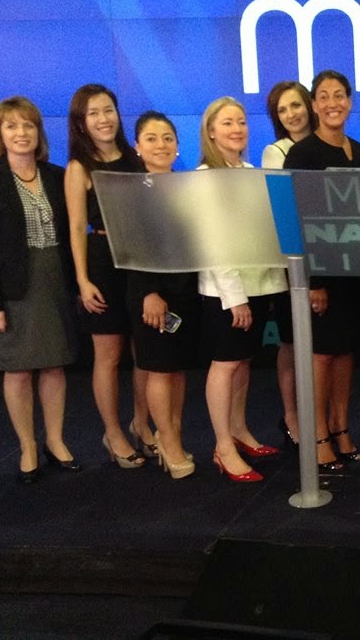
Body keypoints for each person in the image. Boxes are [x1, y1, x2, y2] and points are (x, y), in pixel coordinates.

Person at [0, 97, 80, 482]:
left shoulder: (57, 176)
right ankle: (27, 446)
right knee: (19, 370)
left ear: (39, 132)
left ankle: (55, 441)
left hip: (54, 279)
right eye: (12, 126)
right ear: (0, 133)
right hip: (12, 289)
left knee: (54, 365)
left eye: (28, 125)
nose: (21, 133)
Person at [197, 97, 287, 482]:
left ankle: (238, 431)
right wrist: (235, 298)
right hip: (226, 292)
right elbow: (214, 244)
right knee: (226, 363)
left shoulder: (249, 172)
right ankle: (223, 446)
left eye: (241, 121)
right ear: (211, 131)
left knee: (243, 362)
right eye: (227, 123)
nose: (237, 129)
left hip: (259, 285)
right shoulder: (206, 177)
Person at [284, 70, 360, 468]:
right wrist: (314, 282)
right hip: (320, 274)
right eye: (324, 96)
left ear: (349, 102)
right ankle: (317, 434)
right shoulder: (302, 155)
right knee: (320, 356)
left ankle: (340, 427)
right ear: (314, 105)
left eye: (339, 95)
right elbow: (299, 220)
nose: (333, 103)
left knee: (345, 353)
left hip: (354, 273)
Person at [64, 84, 150, 469]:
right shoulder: (79, 167)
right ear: (81, 123)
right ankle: (113, 433)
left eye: (108, 110)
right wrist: (82, 281)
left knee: (144, 351)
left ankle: (142, 424)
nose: (104, 119)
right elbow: (76, 227)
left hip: (139, 263)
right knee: (109, 355)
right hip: (102, 263)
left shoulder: (134, 159)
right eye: (94, 113)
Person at [126, 112, 198, 480]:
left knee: (176, 369)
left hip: (184, 292)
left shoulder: (186, 188)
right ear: (137, 147)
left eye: (168, 138)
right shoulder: (132, 192)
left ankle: (174, 433)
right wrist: (148, 293)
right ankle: (166, 441)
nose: (161, 145)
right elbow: (131, 248)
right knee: (159, 368)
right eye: (152, 138)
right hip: (152, 296)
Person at [261, 81, 313, 450]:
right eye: (282, 110)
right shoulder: (275, 152)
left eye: (296, 105)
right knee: (292, 343)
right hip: (292, 261)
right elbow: (282, 210)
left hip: (327, 257)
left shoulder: (327, 143)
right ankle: (292, 416)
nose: (291, 114)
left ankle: (319, 419)